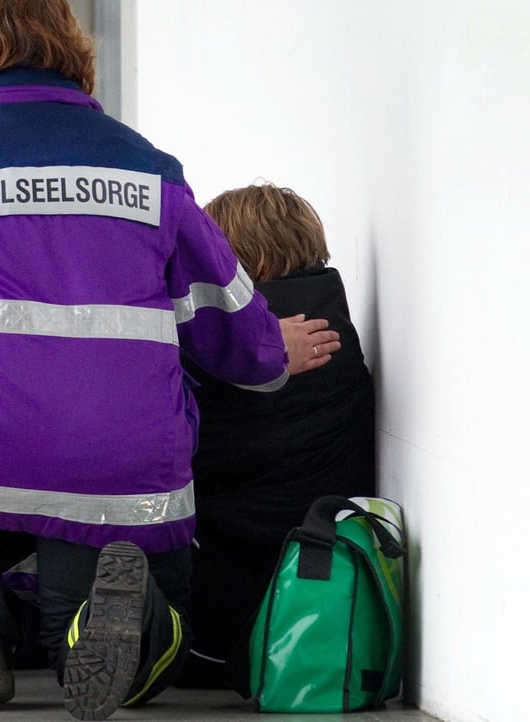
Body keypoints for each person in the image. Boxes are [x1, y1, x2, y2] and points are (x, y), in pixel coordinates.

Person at [0, 1, 339, 718]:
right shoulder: (150, 171)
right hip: (123, 466)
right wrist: (270, 352)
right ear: (74, 52)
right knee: (96, 625)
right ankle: (134, 628)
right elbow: (225, 322)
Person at [178, 182, 375, 689]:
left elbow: (188, 447)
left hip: (221, 617)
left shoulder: (224, 343)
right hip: (312, 598)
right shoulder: (337, 331)